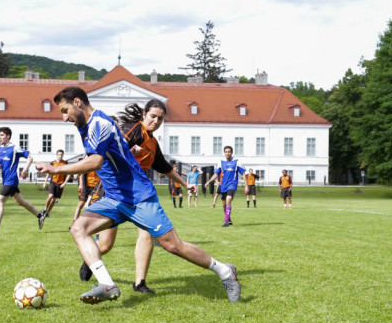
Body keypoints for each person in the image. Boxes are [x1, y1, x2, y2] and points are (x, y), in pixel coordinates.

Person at [36, 86, 241, 304]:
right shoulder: (86, 125)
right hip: (114, 199)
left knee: (172, 245)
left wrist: (55, 168)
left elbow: (95, 161)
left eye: (65, 110)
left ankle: (226, 271)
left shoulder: (100, 124)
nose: (64, 117)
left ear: (77, 102)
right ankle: (107, 285)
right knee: (78, 228)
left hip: (138, 197)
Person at [79, 100, 196, 294]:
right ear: (144, 114)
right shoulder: (134, 129)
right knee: (106, 244)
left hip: (139, 195)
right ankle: (89, 257)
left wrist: (185, 183)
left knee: (147, 232)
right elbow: (113, 147)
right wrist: (128, 151)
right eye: (152, 116)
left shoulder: (152, 142)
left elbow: (164, 167)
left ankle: (139, 283)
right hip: (114, 192)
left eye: (160, 118)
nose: (156, 121)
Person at [0, 127, 45, 234]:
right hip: (6, 180)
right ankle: (40, 215)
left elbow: (30, 158)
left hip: (11, 180)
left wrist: (25, 170)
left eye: (2, 135)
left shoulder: (15, 148)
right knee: (21, 202)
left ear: (8, 136)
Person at [204, 146, 246, 227]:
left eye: (229, 152)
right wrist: (209, 181)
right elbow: (216, 174)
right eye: (226, 152)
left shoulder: (237, 162)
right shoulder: (221, 163)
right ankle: (229, 219)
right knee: (224, 204)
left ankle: (226, 222)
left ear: (232, 152)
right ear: (224, 153)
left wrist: (246, 186)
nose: (227, 153)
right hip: (223, 185)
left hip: (232, 184)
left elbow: (243, 174)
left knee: (228, 199)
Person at [41, 149, 70, 217]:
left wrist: (64, 183)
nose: (60, 156)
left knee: (54, 199)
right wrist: (45, 182)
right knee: (50, 196)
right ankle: (45, 209)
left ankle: (48, 213)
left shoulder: (65, 163)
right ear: (56, 155)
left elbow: (69, 173)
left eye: (61, 155)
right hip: (53, 182)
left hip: (60, 184)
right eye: (59, 154)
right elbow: (48, 173)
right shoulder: (53, 163)